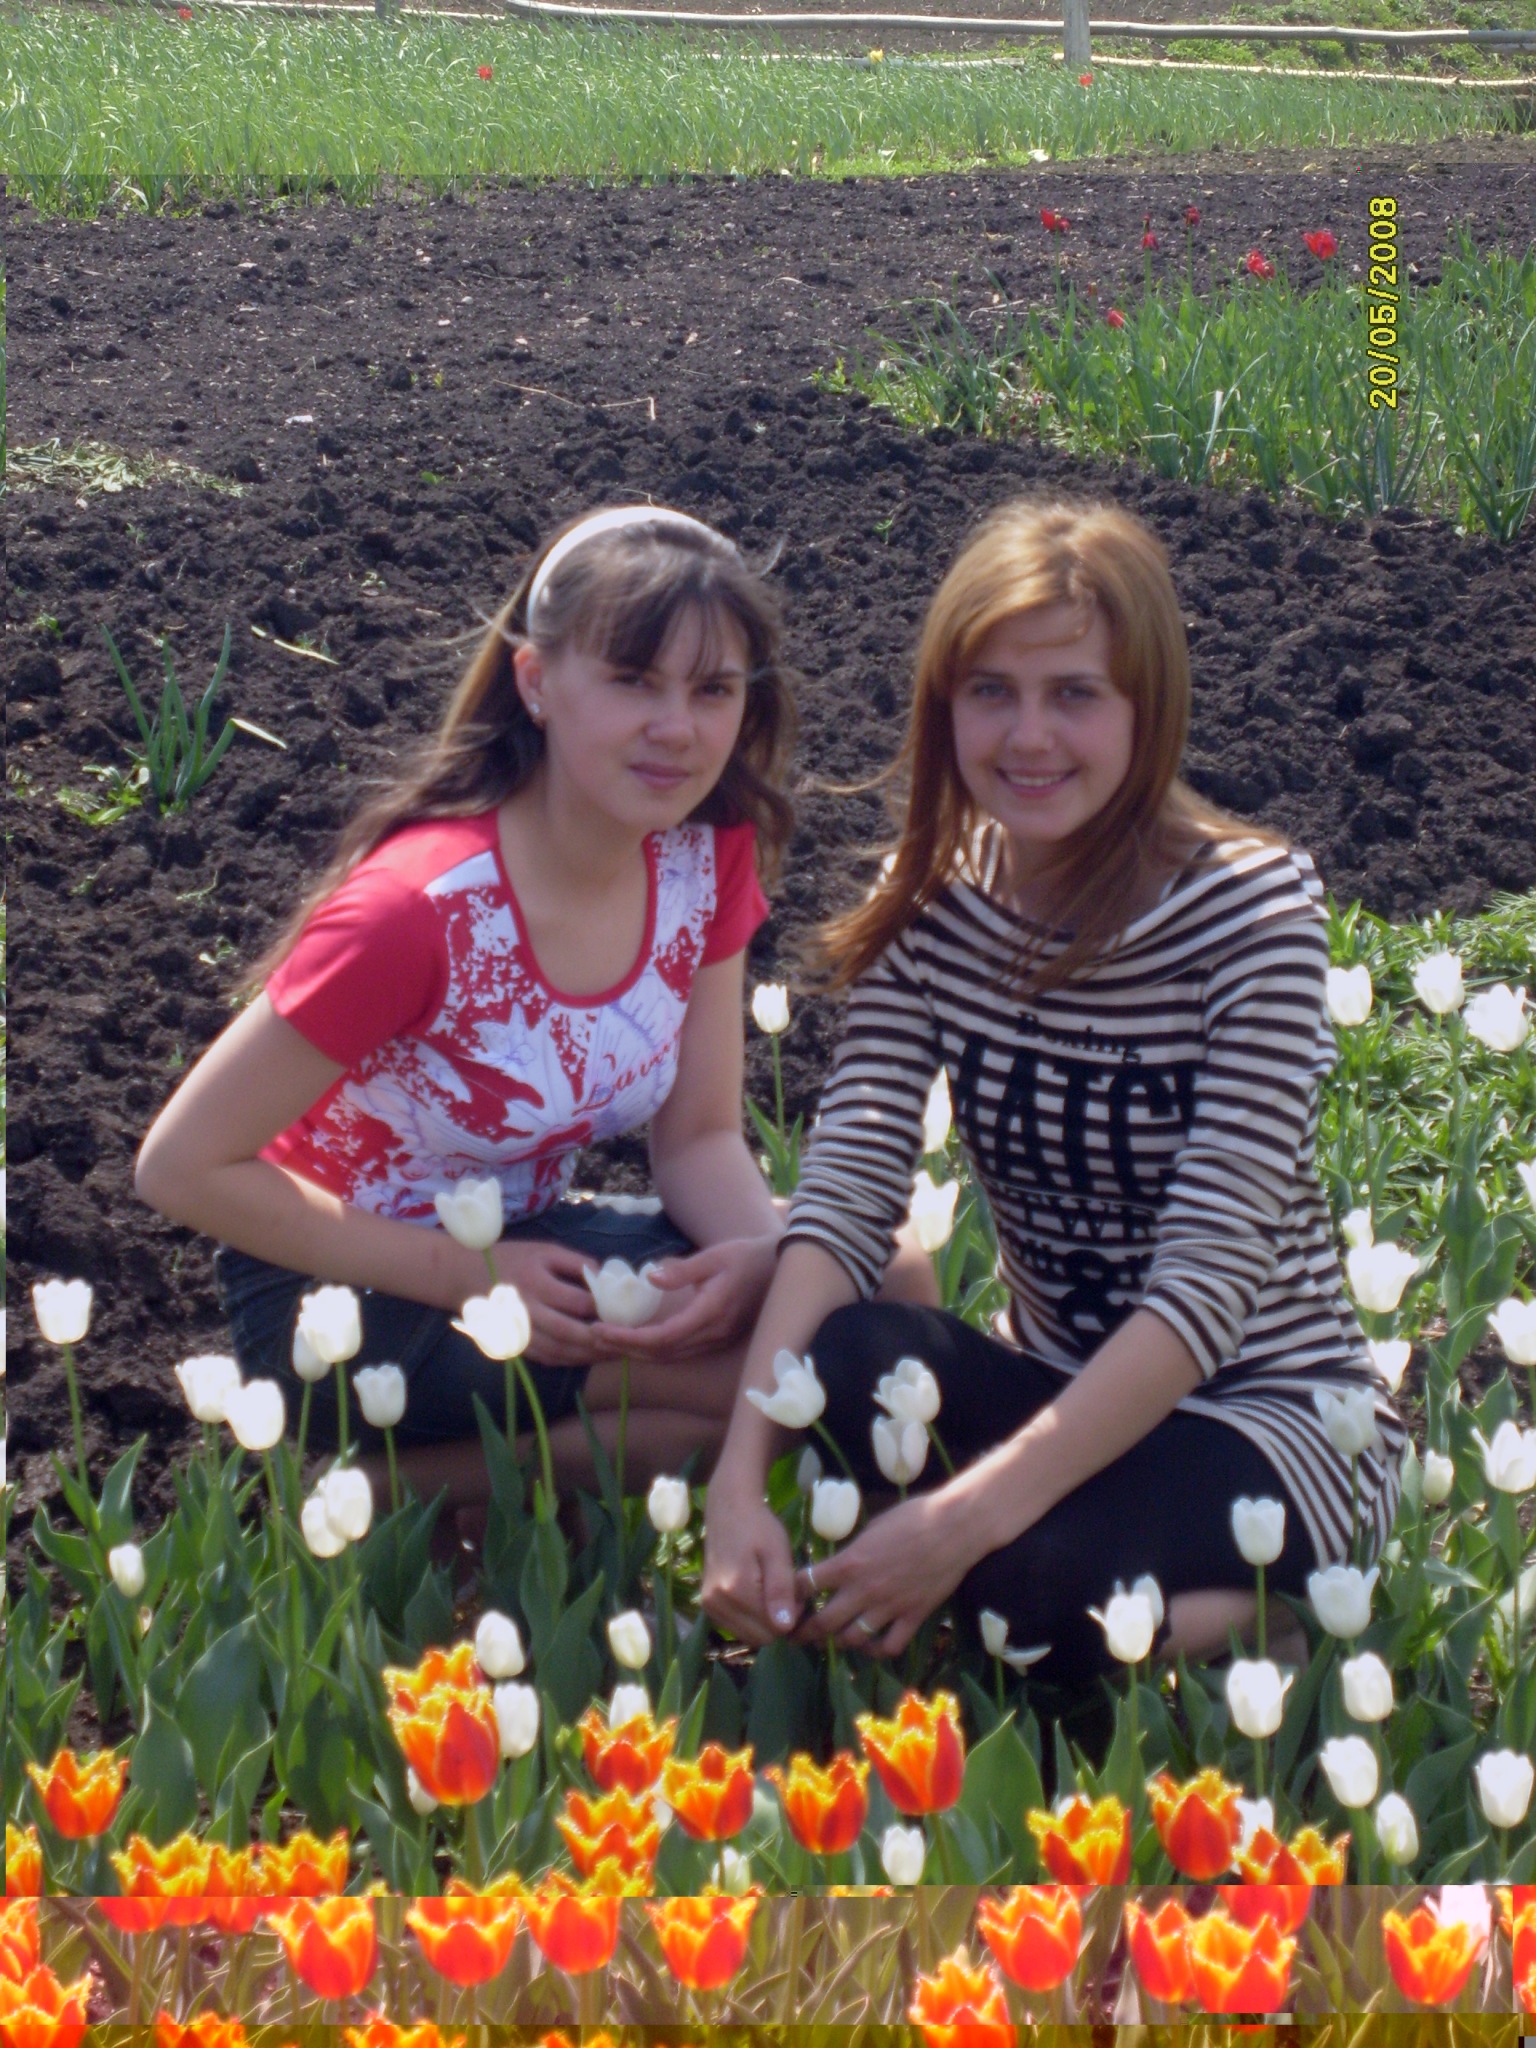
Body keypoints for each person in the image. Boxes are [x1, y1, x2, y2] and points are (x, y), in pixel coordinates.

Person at [701, 496, 1406, 1691]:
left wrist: (959, 1519)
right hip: (1062, 1387)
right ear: (945, 704)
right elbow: (849, 1194)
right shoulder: (936, 896)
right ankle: (1026, 1573)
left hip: (1272, 1417)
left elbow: (1207, 1287)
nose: (1029, 736)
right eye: (992, 690)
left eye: (1075, 693)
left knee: (1021, 1593)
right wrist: (737, 1473)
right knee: (851, 1353)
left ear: (1147, 707)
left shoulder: (1251, 914)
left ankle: (1272, 1618)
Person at [136, 504, 934, 1518]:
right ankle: (380, 1491)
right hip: (346, 1290)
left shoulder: (703, 856)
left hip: (533, 1247)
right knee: (767, 1382)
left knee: (888, 1283)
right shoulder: (417, 911)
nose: (677, 727)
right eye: (633, 680)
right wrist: (469, 1275)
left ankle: (431, 1494)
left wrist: (760, 1268)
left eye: (713, 689)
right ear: (535, 682)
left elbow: (699, 1137)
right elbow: (180, 1166)